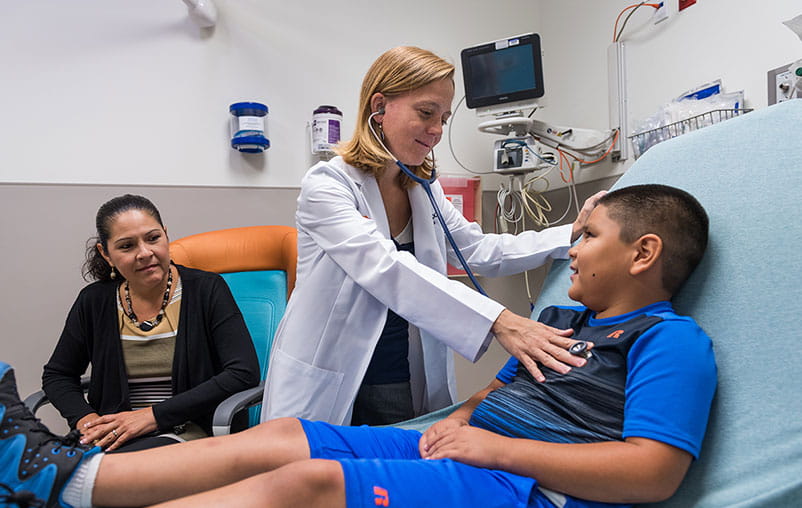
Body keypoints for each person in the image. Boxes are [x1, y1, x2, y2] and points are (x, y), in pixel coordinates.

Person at [0, 183, 717, 508]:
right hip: (467, 448)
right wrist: (460, 422)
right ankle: (61, 481)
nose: (572, 250)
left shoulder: (670, 342)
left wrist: (491, 447)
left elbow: (653, 473)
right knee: (283, 437)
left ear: (643, 253)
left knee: (302, 485)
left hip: (529, 484)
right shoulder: (562, 320)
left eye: (586, 237)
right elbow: (496, 395)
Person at [262, 45, 606, 426]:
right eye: (426, 113)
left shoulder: (423, 189)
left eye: (443, 118)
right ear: (379, 107)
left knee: (396, 460)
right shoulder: (328, 185)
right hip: (327, 374)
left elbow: (478, 249)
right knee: (315, 461)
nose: (437, 130)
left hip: (397, 377)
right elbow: (385, 268)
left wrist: (569, 233)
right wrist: (500, 321)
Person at [40, 194, 260, 453]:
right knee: (43, 464)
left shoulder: (207, 289)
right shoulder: (94, 301)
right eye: (127, 246)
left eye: (153, 238)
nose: (145, 253)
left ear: (166, 235)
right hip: (115, 438)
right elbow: (58, 375)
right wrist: (87, 421)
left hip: (186, 432)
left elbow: (243, 372)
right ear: (106, 254)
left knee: (97, 470)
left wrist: (151, 416)